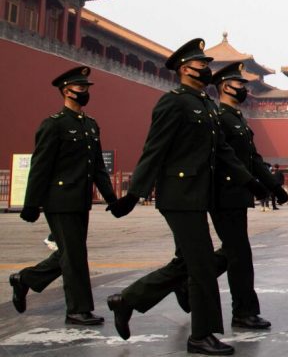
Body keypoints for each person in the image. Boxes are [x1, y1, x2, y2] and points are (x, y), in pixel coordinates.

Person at [104, 38, 270, 355]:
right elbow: (154, 150)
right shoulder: (173, 103)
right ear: (184, 68)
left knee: (192, 263)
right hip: (178, 195)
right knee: (203, 265)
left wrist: (251, 182)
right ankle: (200, 335)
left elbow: (223, 151)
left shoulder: (206, 106)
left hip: (199, 194)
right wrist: (134, 194)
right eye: (201, 65)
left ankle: (127, 300)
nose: (207, 69)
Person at [11, 66, 117, 326]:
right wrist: (31, 204)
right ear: (66, 91)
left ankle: (25, 279)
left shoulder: (91, 125)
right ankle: (77, 310)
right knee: (74, 255)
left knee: (70, 253)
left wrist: (113, 199)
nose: (84, 92)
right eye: (80, 89)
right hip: (59, 199)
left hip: (80, 200)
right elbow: (41, 166)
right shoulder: (54, 124)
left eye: (86, 89)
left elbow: (98, 169)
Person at [204, 62, 288, 330]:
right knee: (239, 254)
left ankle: (187, 279)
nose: (244, 88)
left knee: (233, 253)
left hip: (237, 195)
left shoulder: (237, 118)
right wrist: (252, 183)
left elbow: (252, 158)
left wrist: (274, 187)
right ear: (225, 87)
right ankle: (243, 311)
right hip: (224, 195)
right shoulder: (219, 117)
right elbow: (226, 159)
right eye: (240, 84)